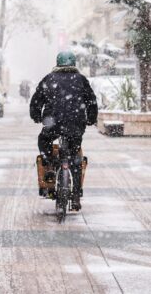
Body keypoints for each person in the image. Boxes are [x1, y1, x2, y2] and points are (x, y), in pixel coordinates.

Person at [30, 51, 98, 210]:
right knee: (75, 156)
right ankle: (75, 195)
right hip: (76, 123)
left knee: (44, 139)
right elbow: (91, 101)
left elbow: (36, 100)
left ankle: (49, 164)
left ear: (57, 63)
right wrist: (91, 118)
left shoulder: (49, 79)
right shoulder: (81, 80)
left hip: (52, 123)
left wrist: (36, 116)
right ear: (73, 64)